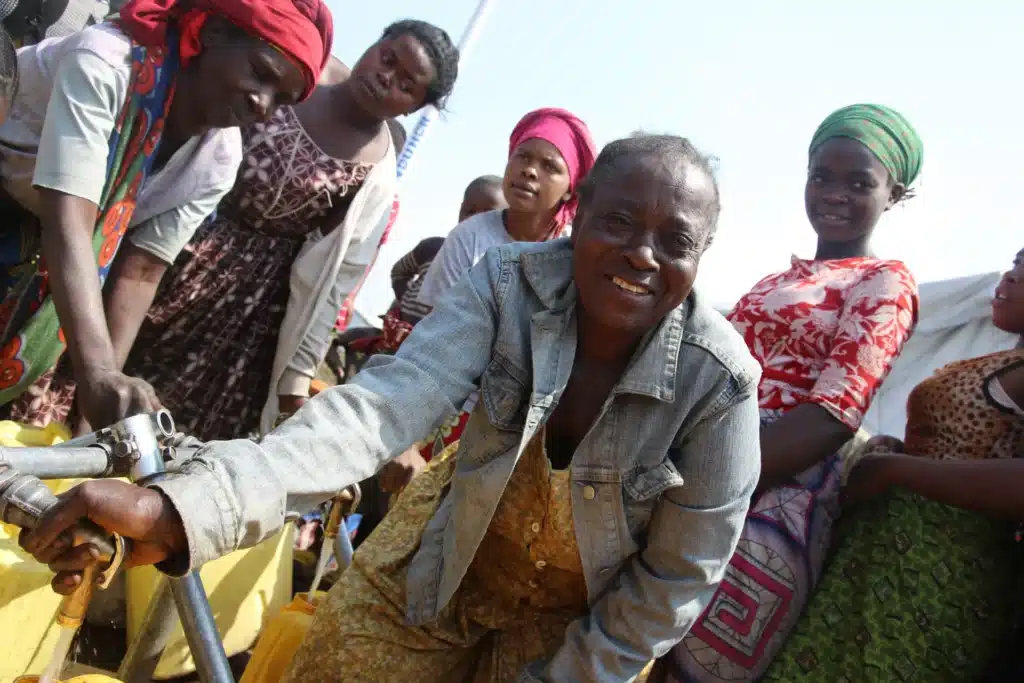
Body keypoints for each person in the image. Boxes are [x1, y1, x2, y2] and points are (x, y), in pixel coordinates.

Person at [24, 133, 763, 683]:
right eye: (621, 222)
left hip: (587, 624)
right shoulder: (506, 282)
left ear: (703, 257)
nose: (642, 254)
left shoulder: (721, 386)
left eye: (676, 241)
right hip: (441, 555)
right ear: (578, 218)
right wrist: (182, 507)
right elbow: (378, 409)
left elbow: (677, 579)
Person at [660, 104, 922, 682]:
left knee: (688, 665)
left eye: (860, 183)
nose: (835, 193)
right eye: (822, 176)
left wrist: (713, 479)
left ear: (894, 195)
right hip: (699, 470)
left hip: (770, 494)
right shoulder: (779, 279)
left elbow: (832, 415)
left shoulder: (884, 281)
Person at [108, 19, 458, 440]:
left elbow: (334, 283)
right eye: (388, 59)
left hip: (242, 306)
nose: (387, 79)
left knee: (168, 425)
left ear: (413, 108)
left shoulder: (377, 175)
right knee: (102, 341)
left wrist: (297, 377)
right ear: (375, 44)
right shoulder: (300, 70)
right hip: (175, 220)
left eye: (406, 85)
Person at [0, 0, 333, 431]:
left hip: (42, 262)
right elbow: (70, 221)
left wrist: (97, 426)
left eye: (281, 100)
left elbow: (139, 273)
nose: (262, 104)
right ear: (211, 32)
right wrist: (97, 373)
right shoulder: (108, 63)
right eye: (260, 72)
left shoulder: (218, 159)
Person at [760, 248, 1024, 683]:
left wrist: (898, 471)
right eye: (1015, 263)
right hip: (888, 550)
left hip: (942, 575)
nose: (1012, 277)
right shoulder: (1002, 360)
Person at [412, 107, 597, 463]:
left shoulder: (574, 261)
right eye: (523, 156)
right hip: (446, 407)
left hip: (521, 433)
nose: (530, 170)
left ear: (570, 188)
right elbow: (431, 333)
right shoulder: (470, 237)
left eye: (550, 167)